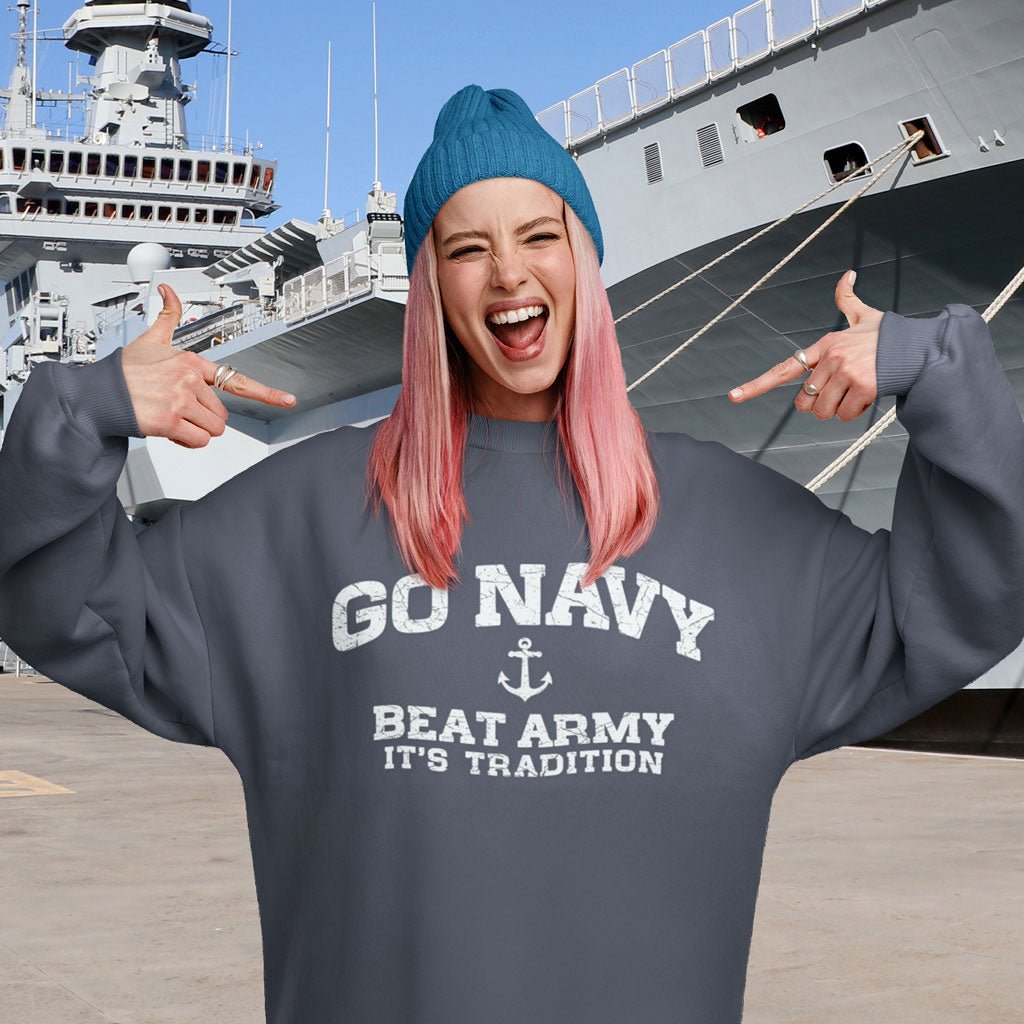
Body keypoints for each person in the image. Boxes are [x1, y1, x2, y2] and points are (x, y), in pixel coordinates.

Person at [0, 83, 1022, 1024]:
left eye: (541, 234)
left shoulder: (738, 525)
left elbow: (979, 592)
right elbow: (58, 605)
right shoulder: (297, 519)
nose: (508, 274)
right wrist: (81, 410)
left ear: (585, 257)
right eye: (466, 248)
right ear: (430, 283)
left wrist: (938, 369)